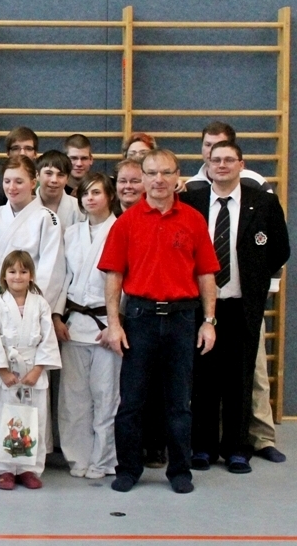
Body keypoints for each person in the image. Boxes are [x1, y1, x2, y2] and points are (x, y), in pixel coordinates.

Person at [98, 148, 220, 494]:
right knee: (132, 401)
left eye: (166, 172)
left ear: (177, 176)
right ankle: (128, 469)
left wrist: (209, 320)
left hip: (183, 318)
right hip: (140, 318)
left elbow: (206, 274)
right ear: (143, 178)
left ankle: (180, 470)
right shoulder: (127, 222)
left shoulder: (193, 220)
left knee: (179, 403)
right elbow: (114, 277)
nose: (159, 180)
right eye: (151, 173)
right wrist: (114, 323)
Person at [179, 141, 290, 474]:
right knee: (203, 378)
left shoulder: (263, 203)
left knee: (240, 379)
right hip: (201, 306)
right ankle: (202, 446)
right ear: (208, 165)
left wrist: (255, 279)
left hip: (242, 304)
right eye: (216, 160)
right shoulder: (192, 202)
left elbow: (280, 250)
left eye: (229, 160)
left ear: (241, 165)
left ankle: (237, 449)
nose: (222, 165)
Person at [53, 176, 120, 480]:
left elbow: (126, 279)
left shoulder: (121, 229)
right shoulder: (71, 233)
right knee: (73, 398)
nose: (89, 198)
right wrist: (57, 316)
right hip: (74, 322)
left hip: (107, 324)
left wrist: (117, 322)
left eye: (96, 192)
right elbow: (61, 277)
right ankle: (77, 457)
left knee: (106, 396)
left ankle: (104, 460)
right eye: (85, 194)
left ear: (110, 196)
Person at [0, 251, 61, 490]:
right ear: (4, 276)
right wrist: (3, 372)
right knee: (2, 419)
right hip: (6, 371)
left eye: (23, 271)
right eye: (12, 271)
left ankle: (29, 469)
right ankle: (4, 470)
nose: (18, 276)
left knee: (34, 420)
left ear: (31, 276)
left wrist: (38, 370)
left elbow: (47, 340)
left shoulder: (40, 304)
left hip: (32, 369)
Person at [0, 156, 65, 310]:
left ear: (33, 183)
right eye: (7, 181)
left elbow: (51, 271)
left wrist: (32, 307)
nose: (11, 187)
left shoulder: (46, 218)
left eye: (19, 182)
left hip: (30, 301)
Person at [36, 151, 85, 228]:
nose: (54, 180)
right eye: (49, 173)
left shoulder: (78, 208)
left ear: (67, 179)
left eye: (61, 175)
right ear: (37, 175)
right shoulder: (26, 205)